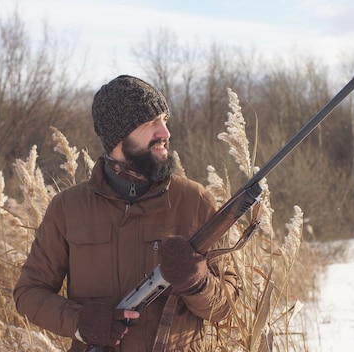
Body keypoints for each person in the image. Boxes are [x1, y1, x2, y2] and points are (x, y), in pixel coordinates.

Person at [13, 75, 240, 352]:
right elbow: (28, 294)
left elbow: (229, 307)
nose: (165, 133)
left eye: (164, 120)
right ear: (118, 136)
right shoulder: (67, 208)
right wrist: (80, 323)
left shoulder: (194, 200)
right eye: (150, 123)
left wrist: (198, 283)